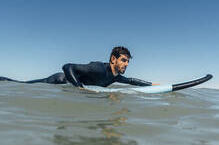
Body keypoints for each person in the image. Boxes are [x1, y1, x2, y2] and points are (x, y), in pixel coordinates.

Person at [0, 46, 152, 87]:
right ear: (113, 59)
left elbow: (132, 81)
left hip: (64, 85)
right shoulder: (99, 68)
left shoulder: (114, 77)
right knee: (21, 85)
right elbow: (67, 67)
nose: (126, 64)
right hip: (58, 81)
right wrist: (79, 88)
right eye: (124, 60)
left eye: (128, 62)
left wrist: (156, 85)